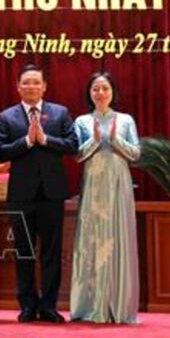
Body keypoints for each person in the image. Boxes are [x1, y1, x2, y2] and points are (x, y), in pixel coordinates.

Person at [0, 63, 78, 324]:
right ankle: (27, 305)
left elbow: (73, 145)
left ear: (44, 86)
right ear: (18, 87)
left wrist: (45, 140)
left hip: (51, 193)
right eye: (26, 82)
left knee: (52, 252)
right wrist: (27, 141)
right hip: (21, 194)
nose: (31, 86)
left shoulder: (60, 113)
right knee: (24, 251)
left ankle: (49, 306)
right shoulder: (7, 117)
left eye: (36, 82)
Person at [70, 71, 141, 324]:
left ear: (113, 92)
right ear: (89, 93)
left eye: (105, 88)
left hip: (118, 183)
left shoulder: (125, 120)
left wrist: (114, 138)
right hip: (93, 184)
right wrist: (95, 140)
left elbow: (135, 154)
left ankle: (119, 305)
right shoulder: (82, 121)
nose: (100, 93)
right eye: (95, 89)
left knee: (118, 236)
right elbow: (77, 155)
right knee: (91, 239)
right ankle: (89, 305)